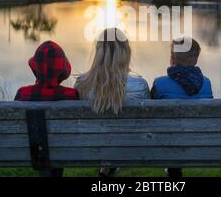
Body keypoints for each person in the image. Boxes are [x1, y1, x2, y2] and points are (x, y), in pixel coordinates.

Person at [75, 28, 150, 177]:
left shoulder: (82, 83)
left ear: (98, 52)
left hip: (90, 146)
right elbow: (147, 121)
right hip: (129, 145)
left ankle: (105, 169)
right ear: (126, 52)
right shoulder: (140, 85)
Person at [15, 40, 79, 177]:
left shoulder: (23, 93)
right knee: (56, 148)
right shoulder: (72, 95)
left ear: (35, 68)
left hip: (33, 150)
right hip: (65, 149)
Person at [151, 37, 213, 177]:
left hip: (167, 140)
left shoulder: (160, 84)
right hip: (201, 141)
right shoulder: (207, 84)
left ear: (172, 59)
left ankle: (174, 169)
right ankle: (175, 170)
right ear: (196, 60)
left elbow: (150, 116)